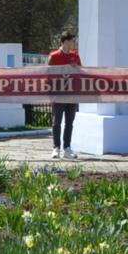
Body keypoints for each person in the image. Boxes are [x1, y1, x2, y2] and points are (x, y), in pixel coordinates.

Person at [43, 30, 81, 159]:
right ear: (65, 42)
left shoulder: (75, 56)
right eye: (72, 41)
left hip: (72, 94)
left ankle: (67, 148)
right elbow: (48, 76)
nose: (74, 43)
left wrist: (76, 68)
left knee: (69, 122)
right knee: (56, 122)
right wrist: (50, 94)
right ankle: (56, 148)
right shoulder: (54, 56)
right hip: (58, 94)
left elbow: (81, 73)